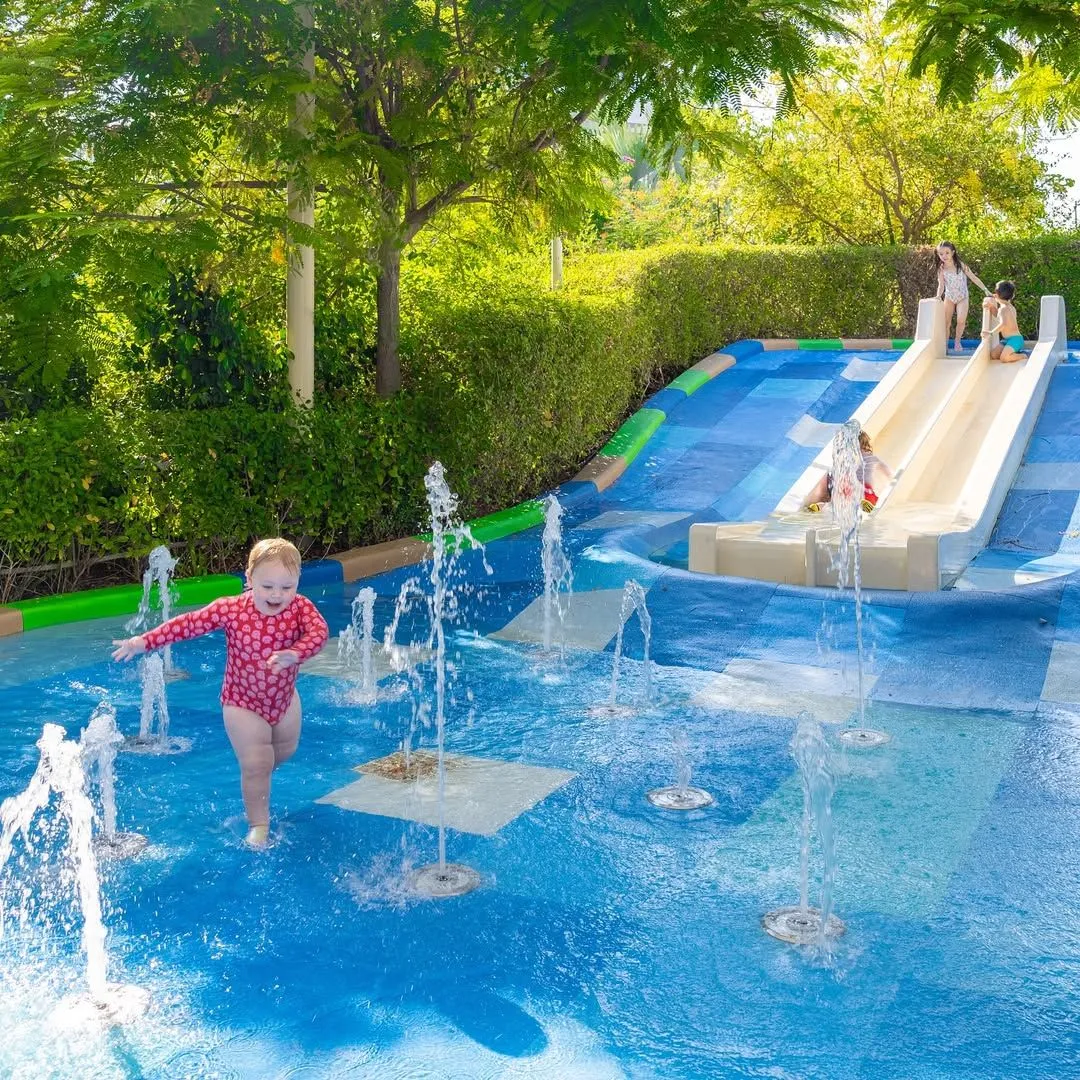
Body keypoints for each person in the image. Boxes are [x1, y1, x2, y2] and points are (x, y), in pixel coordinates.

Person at [112, 538, 329, 848]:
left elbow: (319, 633)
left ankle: (255, 778)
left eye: (287, 587)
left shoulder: (300, 607)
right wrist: (143, 642)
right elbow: (188, 624)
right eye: (267, 586)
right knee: (257, 763)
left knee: (284, 750)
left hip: (284, 699)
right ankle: (259, 824)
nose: (277, 595)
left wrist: (296, 653)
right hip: (242, 702)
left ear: (297, 582)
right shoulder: (232, 609)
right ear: (249, 578)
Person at [804, 429, 893, 513]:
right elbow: (887, 471)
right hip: (867, 492)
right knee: (851, 500)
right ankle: (860, 504)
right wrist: (889, 482)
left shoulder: (850, 456)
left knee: (837, 502)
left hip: (853, 488)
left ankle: (820, 506)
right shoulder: (872, 458)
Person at [935, 241, 991, 353]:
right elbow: (941, 285)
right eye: (941, 254)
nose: (944, 256)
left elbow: (973, 278)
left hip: (962, 297)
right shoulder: (941, 269)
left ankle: (957, 342)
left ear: (953, 252)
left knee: (961, 320)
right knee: (946, 322)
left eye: (947, 253)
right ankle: (945, 344)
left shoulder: (960, 265)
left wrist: (985, 290)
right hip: (949, 297)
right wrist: (938, 296)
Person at [982, 280, 1026, 364]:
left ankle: (1023, 355)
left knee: (1004, 358)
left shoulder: (1003, 309)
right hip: (1007, 340)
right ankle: (1011, 351)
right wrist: (991, 307)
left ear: (997, 295)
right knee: (994, 355)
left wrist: (991, 333)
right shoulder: (1008, 307)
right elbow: (999, 316)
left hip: (1015, 339)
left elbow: (1003, 324)